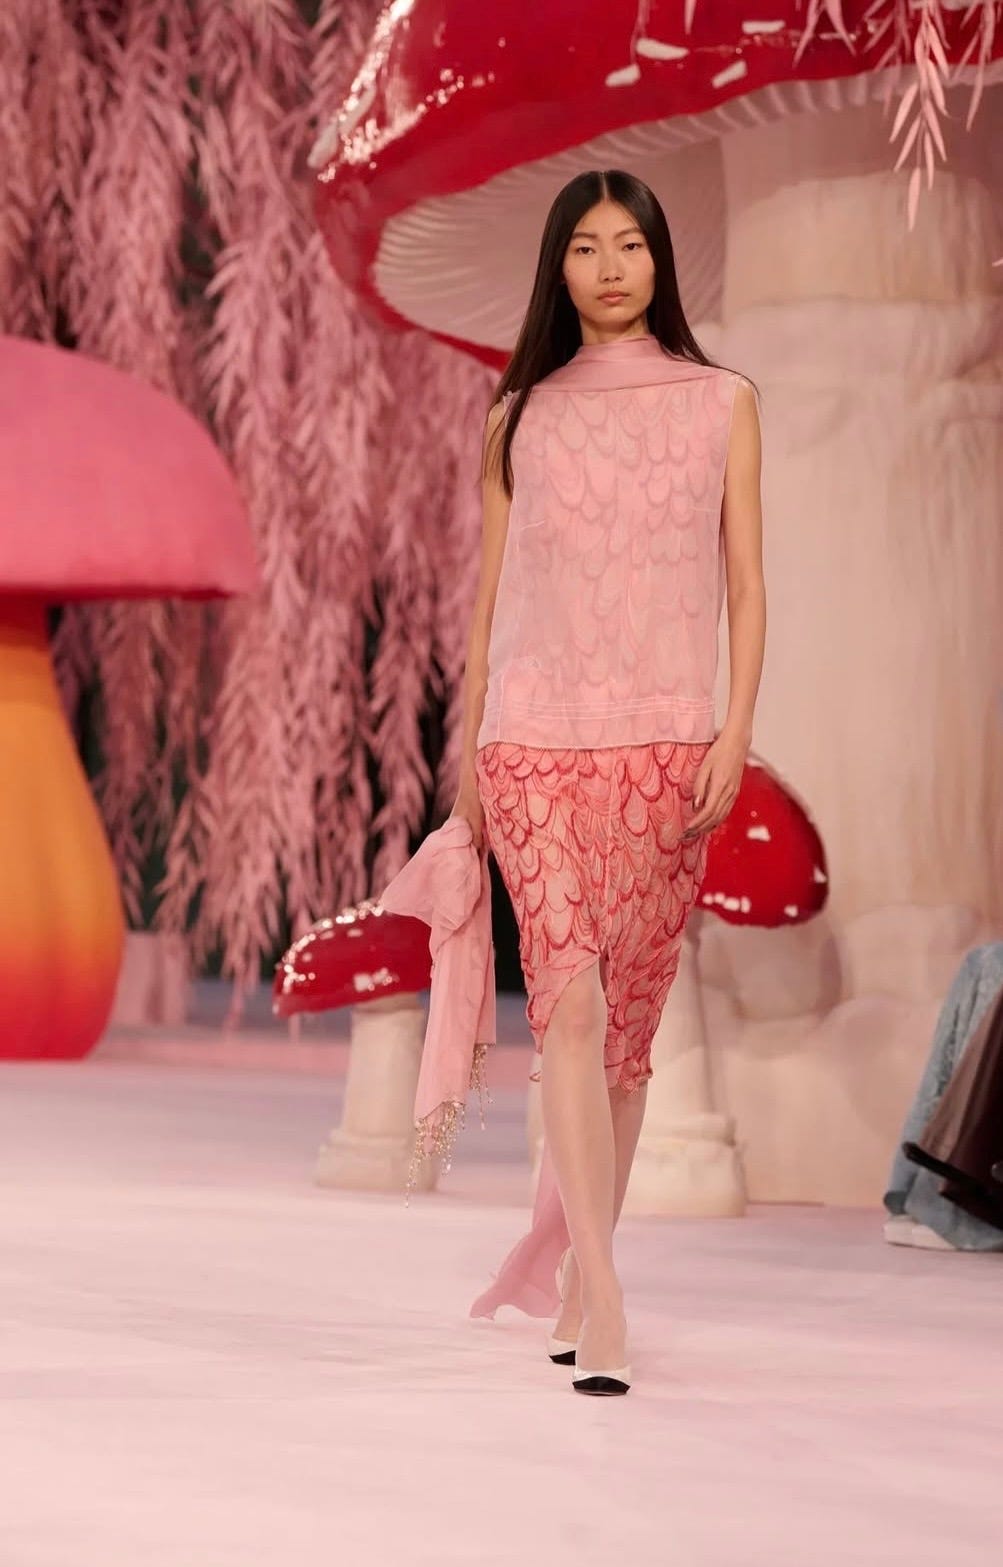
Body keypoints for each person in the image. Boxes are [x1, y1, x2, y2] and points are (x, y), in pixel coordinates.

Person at [450, 168, 766, 1396]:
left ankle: (584, 1276)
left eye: (629, 243)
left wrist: (733, 730)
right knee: (569, 1013)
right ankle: (608, 1296)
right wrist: (471, 759)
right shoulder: (517, 416)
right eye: (584, 246)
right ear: (558, 268)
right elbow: (489, 605)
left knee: (624, 1045)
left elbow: (747, 584)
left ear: (659, 258)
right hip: (532, 742)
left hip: (664, 750)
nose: (610, 266)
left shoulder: (722, 401)